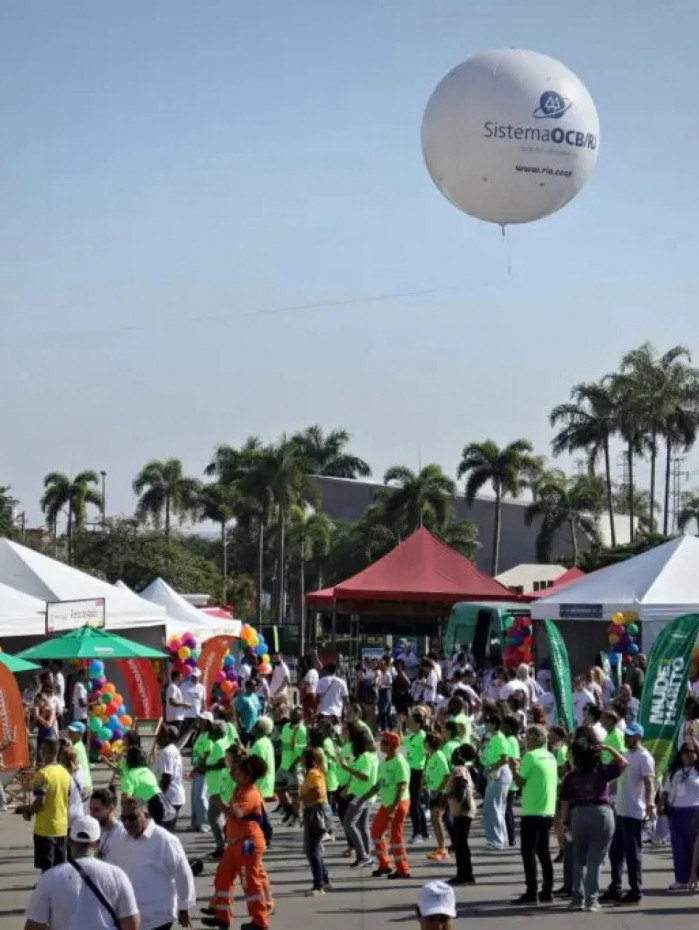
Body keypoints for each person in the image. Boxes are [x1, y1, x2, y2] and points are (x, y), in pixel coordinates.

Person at [24, 814, 140, 930]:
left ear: (68, 841)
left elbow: (33, 926)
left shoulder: (51, 877)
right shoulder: (117, 875)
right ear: (97, 843)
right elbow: (131, 924)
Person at [105, 796, 195, 930]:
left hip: (157, 918)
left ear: (145, 815)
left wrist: (184, 908)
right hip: (128, 917)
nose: (127, 823)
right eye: (123, 818)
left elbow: (182, 874)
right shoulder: (118, 840)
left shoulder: (165, 840)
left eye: (133, 817)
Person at [560, 731, 627, 911]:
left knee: (579, 859)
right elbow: (623, 763)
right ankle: (591, 900)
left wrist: (564, 823)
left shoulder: (571, 776)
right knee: (595, 861)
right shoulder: (601, 770)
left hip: (579, 814)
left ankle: (577, 898)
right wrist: (608, 748)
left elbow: (565, 802)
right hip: (602, 813)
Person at [203, 754, 271, 930]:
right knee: (223, 877)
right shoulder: (240, 788)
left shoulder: (250, 793)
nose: (235, 774)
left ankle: (260, 921)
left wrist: (219, 803)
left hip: (248, 844)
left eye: (238, 772)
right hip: (235, 843)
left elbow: (237, 814)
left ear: (248, 775)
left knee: (250, 882)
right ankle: (222, 916)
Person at [601, 722, 655, 905]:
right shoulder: (625, 754)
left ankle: (635, 890)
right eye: (626, 734)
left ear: (639, 737)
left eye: (630, 735)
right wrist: (605, 790)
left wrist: (650, 803)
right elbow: (620, 780)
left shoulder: (644, 757)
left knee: (633, 854)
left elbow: (649, 782)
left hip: (633, 811)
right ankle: (615, 888)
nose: (626, 737)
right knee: (615, 853)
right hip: (620, 810)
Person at [508, 724, 557, 905]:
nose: (525, 742)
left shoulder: (530, 756)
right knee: (543, 851)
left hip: (532, 811)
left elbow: (520, 782)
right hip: (547, 810)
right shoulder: (550, 756)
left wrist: (514, 768)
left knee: (528, 853)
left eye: (527, 738)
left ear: (533, 740)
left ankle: (532, 891)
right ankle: (547, 890)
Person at [17, 738, 71, 872]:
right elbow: (67, 795)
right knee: (60, 871)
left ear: (44, 751)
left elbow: (39, 803)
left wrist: (27, 810)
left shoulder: (42, 774)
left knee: (47, 872)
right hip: (62, 827)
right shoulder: (65, 773)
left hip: (45, 829)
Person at [369, 731, 411, 879]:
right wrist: (361, 799)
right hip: (386, 804)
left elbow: (402, 786)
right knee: (376, 832)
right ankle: (384, 865)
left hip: (397, 805)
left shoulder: (399, 763)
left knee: (396, 837)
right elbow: (378, 785)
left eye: (384, 742)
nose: (380, 744)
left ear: (392, 745)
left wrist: (394, 807)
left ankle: (403, 870)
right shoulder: (385, 762)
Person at [661, 731, 699, 889]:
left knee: (695, 848)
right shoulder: (673, 772)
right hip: (676, 812)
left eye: (692, 752)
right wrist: (662, 806)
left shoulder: (697, 770)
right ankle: (681, 879)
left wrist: (695, 742)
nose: (688, 755)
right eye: (685, 752)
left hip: (695, 811)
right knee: (679, 847)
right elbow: (666, 792)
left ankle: (696, 876)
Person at [340, 727, 379, 868]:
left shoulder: (366, 757)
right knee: (362, 827)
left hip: (362, 795)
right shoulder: (370, 756)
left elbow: (364, 776)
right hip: (365, 795)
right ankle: (366, 856)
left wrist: (347, 768)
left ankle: (363, 855)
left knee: (348, 823)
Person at [299, 746, 331, 896]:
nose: (300, 760)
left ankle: (318, 885)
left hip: (315, 813)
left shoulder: (313, 774)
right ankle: (324, 879)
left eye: (303, 757)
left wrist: (303, 799)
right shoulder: (313, 773)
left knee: (312, 850)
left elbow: (318, 792)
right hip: (314, 812)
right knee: (315, 849)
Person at [445, 743, 477, 886]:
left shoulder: (458, 770)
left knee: (460, 843)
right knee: (461, 842)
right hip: (463, 809)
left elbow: (462, 785)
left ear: (459, 755)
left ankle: (464, 875)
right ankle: (465, 873)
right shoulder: (463, 768)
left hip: (463, 810)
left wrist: (449, 796)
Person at [481, 714, 512, 850]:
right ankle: (500, 840)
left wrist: (492, 768)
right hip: (496, 772)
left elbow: (504, 758)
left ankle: (497, 841)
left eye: (487, 722)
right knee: (496, 808)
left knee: (494, 808)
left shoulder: (499, 738)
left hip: (499, 773)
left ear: (494, 724)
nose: (485, 725)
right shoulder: (493, 738)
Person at [205, 720, 230, 858]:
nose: (208, 733)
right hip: (216, 786)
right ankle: (223, 846)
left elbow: (223, 762)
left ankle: (224, 846)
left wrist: (208, 767)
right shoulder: (220, 743)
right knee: (216, 818)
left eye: (210, 730)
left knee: (216, 818)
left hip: (219, 787)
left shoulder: (219, 745)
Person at [277, 707, 307, 826]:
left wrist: (294, 764)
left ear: (300, 717)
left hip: (295, 767)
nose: (293, 716)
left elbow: (303, 751)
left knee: (295, 794)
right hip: (283, 765)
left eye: (296, 715)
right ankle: (290, 811)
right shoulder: (285, 727)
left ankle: (297, 816)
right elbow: (284, 743)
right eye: (292, 714)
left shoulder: (302, 730)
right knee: (278, 788)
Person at [424, 732, 450, 862]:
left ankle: (443, 848)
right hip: (433, 790)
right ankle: (441, 847)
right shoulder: (431, 756)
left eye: (425, 741)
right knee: (435, 820)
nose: (424, 744)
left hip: (441, 793)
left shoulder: (439, 755)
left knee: (436, 819)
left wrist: (439, 790)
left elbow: (446, 775)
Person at [404, 710, 429, 845]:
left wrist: (424, 774)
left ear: (419, 723)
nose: (409, 724)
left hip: (418, 772)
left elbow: (427, 755)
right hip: (411, 771)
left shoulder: (422, 737)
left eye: (412, 722)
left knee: (413, 804)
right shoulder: (413, 736)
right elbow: (401, 741)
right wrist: (399, 724)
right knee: (416, 803)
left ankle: (417, 833)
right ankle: (424, 831)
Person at [153, 727, 186, 827]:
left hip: (169, 797)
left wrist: (159, 796)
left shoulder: (167, 752)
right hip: (174, 796)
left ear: (166, 737)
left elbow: (166, 777)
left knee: (164, 832)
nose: (157, 737)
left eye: (160, 735)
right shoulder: (172, 749)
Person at [189, 712, 213, 831]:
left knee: (201, 797)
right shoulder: (200, 734)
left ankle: (205, 823)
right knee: (194, 797)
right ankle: (195, 823)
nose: (200, 721)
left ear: (208, 722)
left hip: (203, 770)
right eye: (200, 719)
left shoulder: (209, 736)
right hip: (197, 768)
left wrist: (198, 768)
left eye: (203, 720)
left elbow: (207, 754)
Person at [89, 787, 123, 860]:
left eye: (96, 810)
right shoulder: (95, 830)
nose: (91, 814)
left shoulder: (120, 833)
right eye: (90, 809)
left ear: (110, 809)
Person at [249, 716, 276, 802]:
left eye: (256, 725)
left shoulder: (259, 744)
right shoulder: (267, 741)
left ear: (260, 728)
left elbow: (256, 765)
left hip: (259, 783)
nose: (253, 726)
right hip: (267, 782)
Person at [66, 721, 92, 800]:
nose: (69, 733)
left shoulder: (75, 748)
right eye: (69, 731)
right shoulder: (79, 745)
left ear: (80, 734)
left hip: (81, 785)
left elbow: (72, 768)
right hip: (86, 784)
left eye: (73, 731)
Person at [234, 681, 262, 747]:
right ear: (247, 687)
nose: (256, 687)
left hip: (255, 729)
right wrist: (240, 725)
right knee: (242, 749)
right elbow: (237, 714)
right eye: (254, 685)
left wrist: (259, 722)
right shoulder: (242, 698)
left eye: (256, 685)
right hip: (245, 729)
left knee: (254, 748)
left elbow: (258, 711)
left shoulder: (255, 697)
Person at [376, 657, 394, 732]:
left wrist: (383, 686)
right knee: (381, 711)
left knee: (385, 711)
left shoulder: (388, 674)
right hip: (380, 693)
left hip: (386, 693)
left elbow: (390, 685)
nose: (382, 666)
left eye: (383, 665)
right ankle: (384, 728)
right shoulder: (378, 674)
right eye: (381, 665)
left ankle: (389, 728)